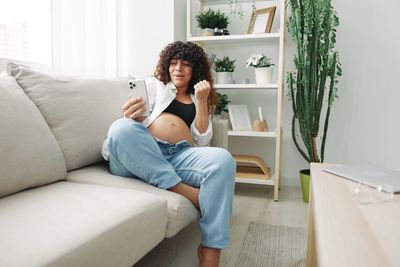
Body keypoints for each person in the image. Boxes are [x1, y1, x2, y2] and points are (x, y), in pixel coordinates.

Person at [101, 41, 236, 267]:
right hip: (140, 155)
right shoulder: (155, 86)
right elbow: (128, 130)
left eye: (185, 64)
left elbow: (203, 139)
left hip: (178, 156)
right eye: (173, 63)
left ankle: (210, 252)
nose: (178, 69)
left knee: (223, 160)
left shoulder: (196, 97)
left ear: (195, 70)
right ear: (166, 66)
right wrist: (131, 117)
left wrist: (202, 102)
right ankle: (185, 191)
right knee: (120, 128)